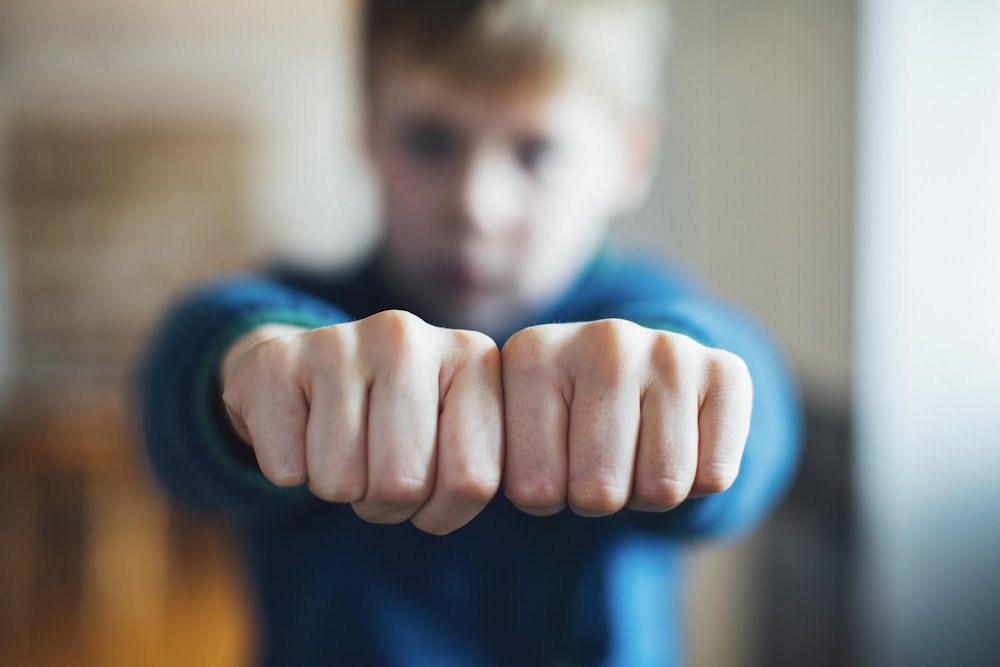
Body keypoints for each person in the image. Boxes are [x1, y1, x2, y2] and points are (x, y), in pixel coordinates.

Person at [138, 1, 801, 665]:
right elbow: (187, 371)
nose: (477, 205)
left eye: (536, 150)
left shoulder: (647, 312)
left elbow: (754, 407)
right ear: (369, 134)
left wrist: (698, 384)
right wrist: (252, 365)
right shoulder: (308, 317)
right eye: (431, 140)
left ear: (629, 158)